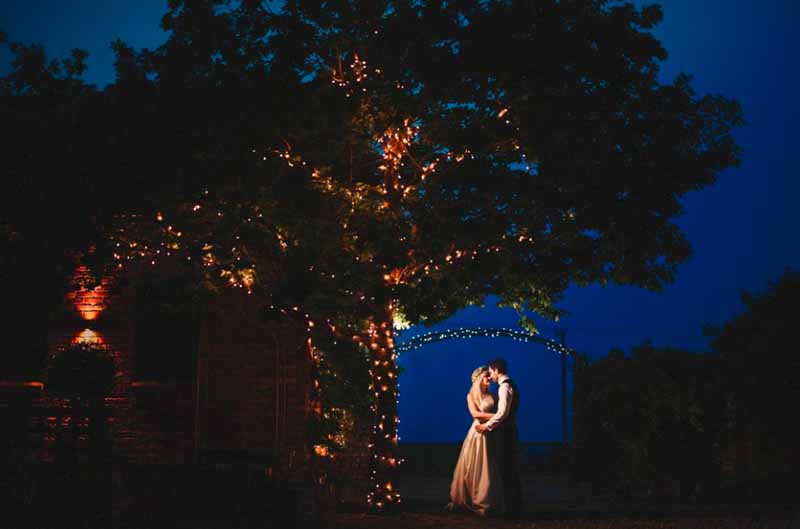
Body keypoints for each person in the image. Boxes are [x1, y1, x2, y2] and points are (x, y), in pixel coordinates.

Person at [446, 366, 505, 516]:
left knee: (489, 466)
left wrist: (498, 417)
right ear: (479, 378)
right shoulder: (471, 396)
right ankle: (471, 498)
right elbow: (475, 414)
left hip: (490, 432)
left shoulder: (494, 395)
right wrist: (498, 415)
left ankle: (486, 498)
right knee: (473, 464)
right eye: (486, 376)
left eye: (489, 376)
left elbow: (501, 412)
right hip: (477, 432)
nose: (489, 379)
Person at [475, 357, 523, 516]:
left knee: (506, 471)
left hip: (505, 433)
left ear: (495, 370)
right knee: (509, 470)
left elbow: (502, 413)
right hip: (509, 431)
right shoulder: (509, 385)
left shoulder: (504, 387)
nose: (490, 376)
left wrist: (487, 426)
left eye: (490, 372)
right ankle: (514, 506)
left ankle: (512, 510)